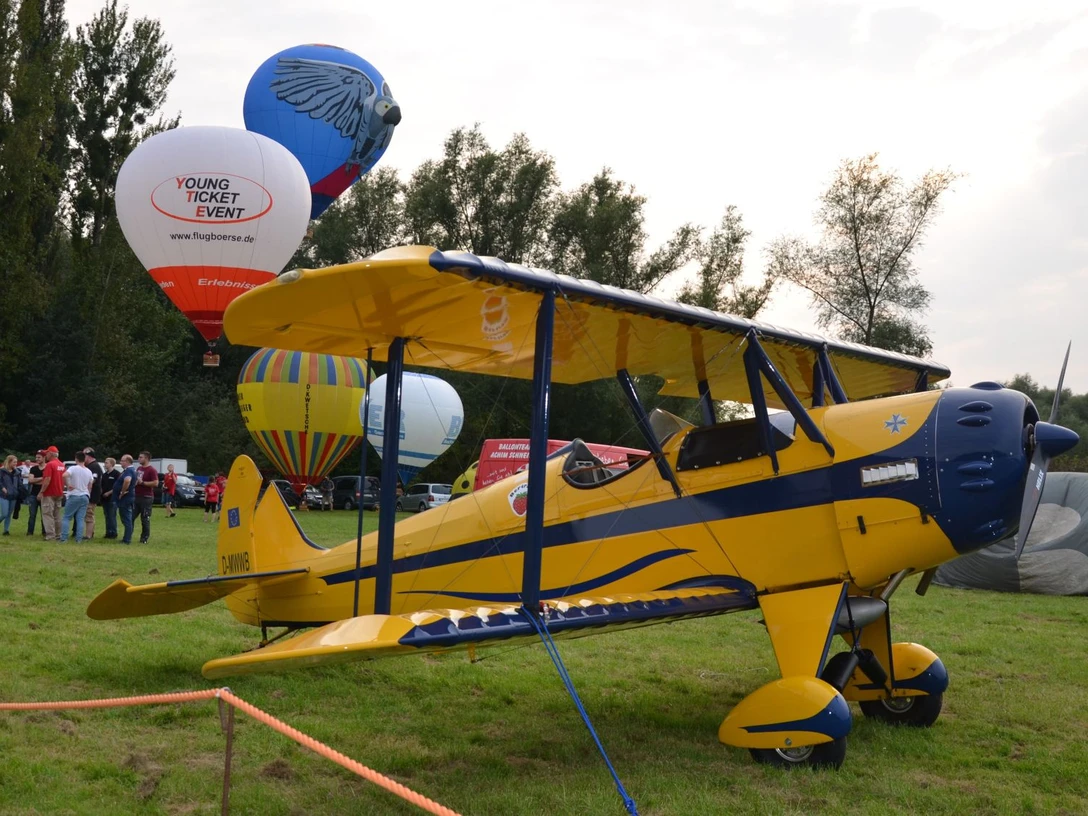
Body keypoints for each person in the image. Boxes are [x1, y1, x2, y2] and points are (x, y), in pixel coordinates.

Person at [59, 451, 93, 543]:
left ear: (76, 459)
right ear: (84, 459)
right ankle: (79, 539)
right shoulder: (89, 471)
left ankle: (64, 538)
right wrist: (88, 494)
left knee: (66, 517)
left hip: (74, 495)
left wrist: (68, 484)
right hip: (85, 496)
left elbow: (64, 475)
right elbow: (90, 485)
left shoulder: (73, 468)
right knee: (80, 519)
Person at [38, 446, 64, 541]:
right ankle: (58, 534)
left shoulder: (50, 465)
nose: (46, 455)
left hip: (49, 493)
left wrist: (41, 492)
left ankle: (50, 535)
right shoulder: (61, 465)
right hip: (59, 492)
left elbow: (47, 479)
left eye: (47, 453)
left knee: (47, 514)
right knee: (57, 515)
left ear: (51, 454)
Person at [134, 451, 158, 544]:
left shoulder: (152, 470)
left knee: (145, 518)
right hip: (137, 496)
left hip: (146, 497)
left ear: (146, 458)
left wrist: (143, 483)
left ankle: (144, 538)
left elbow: (155, 483)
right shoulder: (139, 468)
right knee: (131, 517)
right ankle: (127, 536)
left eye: (141, 457)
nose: (139, 459)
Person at [115, 454, 138, 544]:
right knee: (126, 518)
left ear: (127, 462)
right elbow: (135, 481)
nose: (120, 462)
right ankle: (126, 537)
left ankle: (127, 539)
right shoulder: (132, 470)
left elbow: (127, 480)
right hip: (128, 496)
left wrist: (123, 491)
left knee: (126, 518)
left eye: (122, 461)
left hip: (126, 498)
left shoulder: (129, 470)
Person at [82, 447, 103, 540]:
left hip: (92, 494)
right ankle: (89, 533)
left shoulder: (93, 466)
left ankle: (88, 535)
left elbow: (92, 480)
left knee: (89, 514)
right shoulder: (92, 466)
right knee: (88, 514)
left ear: (88, 456)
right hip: (91, 494)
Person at [25, 451, 44, 537]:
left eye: (39, 457)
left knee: (44, 515)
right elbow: (30, 480)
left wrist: (36, 480)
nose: (37, 459)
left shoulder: (48, 468)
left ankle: (44, 532)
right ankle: (30, 532)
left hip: (44, 494)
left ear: (44, 458)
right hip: (33, 494)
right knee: (32, 515)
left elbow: (47, 481)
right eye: (36, 457)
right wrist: (42, 478)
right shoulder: (33, 468)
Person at [100, 457, 119, 539]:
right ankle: (108, 532)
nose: (105, 464)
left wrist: (109, 493)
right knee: (107, 516)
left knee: (112, 516)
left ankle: (113, 532)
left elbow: (117, 486)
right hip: (104, 499)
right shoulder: (104, 475)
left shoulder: (116, 474)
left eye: (106, 463)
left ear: (111, 464)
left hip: (112, 499)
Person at [0, 455, 19, 535]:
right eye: (14, 462)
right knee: (4, 514)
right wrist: (2, 488)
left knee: (9, 514)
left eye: (16, 462)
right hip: (4, 495)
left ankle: (6, 530)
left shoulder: (17, 472)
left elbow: (19, 483)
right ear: (9, 462)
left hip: (13, 495)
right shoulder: (2, 471)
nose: (16, 464)